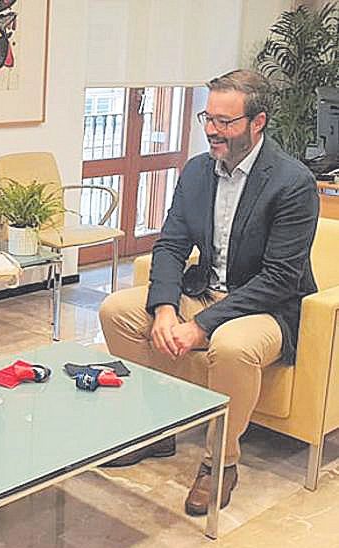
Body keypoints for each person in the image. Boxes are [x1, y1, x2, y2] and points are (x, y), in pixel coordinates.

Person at [98, 70, 319, 515]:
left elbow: (279, 277)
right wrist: (163, 309)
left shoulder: (292, 183)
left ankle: (221, 462)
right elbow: (172, 244)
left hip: (266, 306)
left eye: (225, 121)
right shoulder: (198, 170)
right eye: (207, 117)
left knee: (232, 347)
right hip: (204, 290)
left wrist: (200, 326)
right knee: (117, 310)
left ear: (257, 123)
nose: (212, 130)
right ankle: (156, 432)